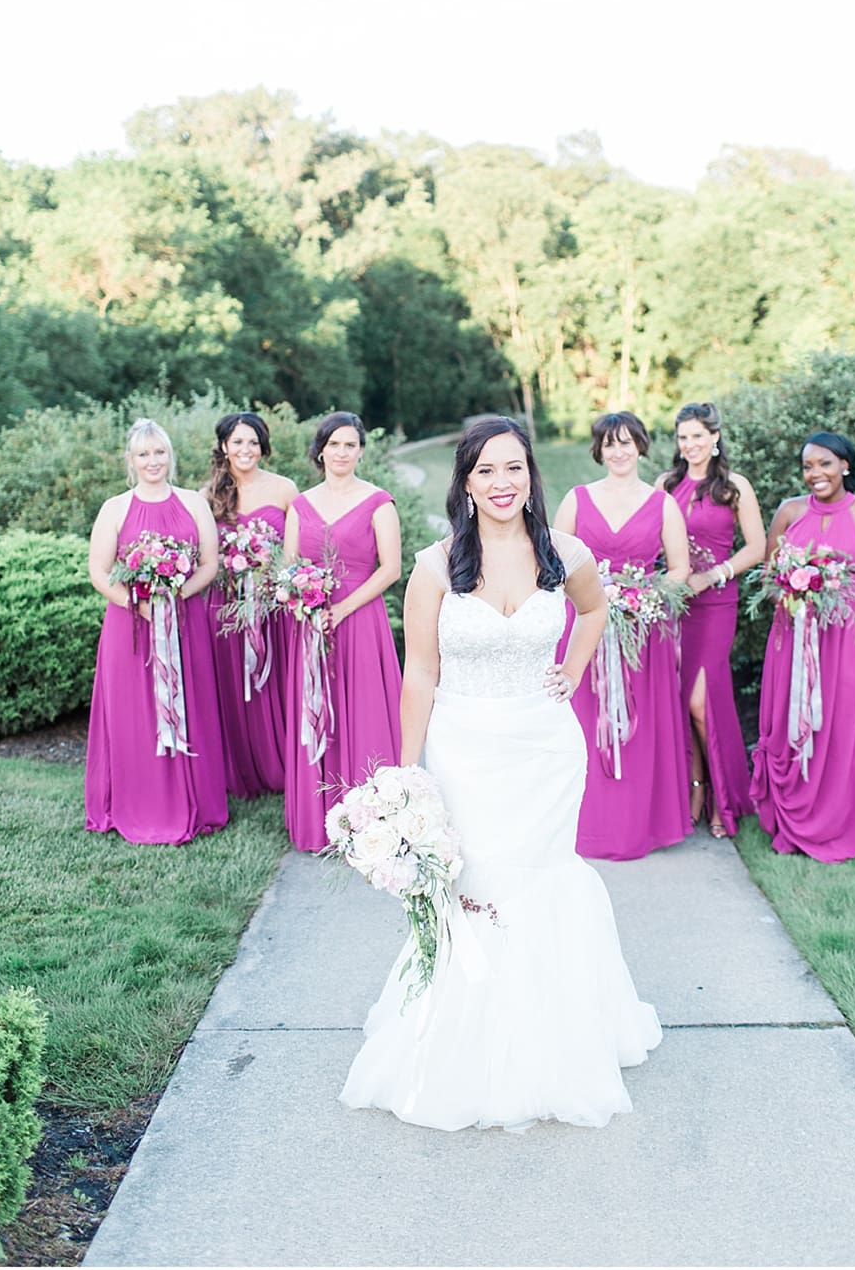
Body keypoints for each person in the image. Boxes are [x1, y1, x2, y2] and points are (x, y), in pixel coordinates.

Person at [340, 417, 660, 1131]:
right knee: (476, 882)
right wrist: (406, 770)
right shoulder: (435, 564)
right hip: (464, 748)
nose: (502, 483)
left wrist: (572, 674)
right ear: (466, 481)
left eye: (513, 468)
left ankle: (556, 1037)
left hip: (545, 749)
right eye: (486, 471)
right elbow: (419, 671)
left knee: (542, 881)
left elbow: (595, 608)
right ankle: (464, 1041)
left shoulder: (564, 553)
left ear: (530, 475)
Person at [750, 432, 855, 861]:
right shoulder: (789, 512)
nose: (815, 473)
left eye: (825, 464)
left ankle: (841, 825)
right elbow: (767, 577)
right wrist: (790, 588)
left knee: (842, 731)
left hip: (849, 642)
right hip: (792, 640)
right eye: (808, 466)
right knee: (789, 724)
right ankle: (792, 822)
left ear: (845, 466)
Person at [553, 413, 693, 861]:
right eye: (610, 443)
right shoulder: (577, 500)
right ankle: (583, 826)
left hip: (641, 636)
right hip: (585, 631)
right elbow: (553, 563)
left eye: (627, 442)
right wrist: (593, 598)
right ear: (598, 449)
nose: (618, 451)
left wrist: (642, 598)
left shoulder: (662, 503)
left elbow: (679, 569)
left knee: (639, 729)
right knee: (581, 727)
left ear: (641, 447)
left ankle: (637, 826)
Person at [85, 419, 231, 843]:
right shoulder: (115, 507)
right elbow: (99, 572)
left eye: (160, 452)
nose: (153, 461)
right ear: (131, 460)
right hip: (131, 627)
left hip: (186, 622)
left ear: (171, 456)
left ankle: (195, 802)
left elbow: (210, 563)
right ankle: (138, 802)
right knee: (135, 713)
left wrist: (175, 596)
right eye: (144, 454)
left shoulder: (192, 503)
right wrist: (141, 605)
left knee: (192, 702)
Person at [279, 412, 401, 852]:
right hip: (310, 625)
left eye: (351, 445)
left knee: (363, 710)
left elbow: (391, 568)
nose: (342, 452)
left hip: (361, 619)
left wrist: (343, 608)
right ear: (321, 450)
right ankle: (319, 822)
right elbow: (289, 565)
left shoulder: (378, 502)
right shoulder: (301, 505)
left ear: (361, 451)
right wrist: (301, 600)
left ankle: (373, 826)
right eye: (334, 444)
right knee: (318, 714)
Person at [660, 402, 766, 838]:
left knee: (702, 702)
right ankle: (696, 788)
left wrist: (713, 575)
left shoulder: (734, 486)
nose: (690, 446)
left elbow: (756, 547)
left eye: (698, 437)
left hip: (717, 603)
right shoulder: (666, 485)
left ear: (714, 438)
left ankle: (725, 799)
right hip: (675, 606)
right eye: (683, 438)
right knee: (680, 701)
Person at [202, 412, 298, 799]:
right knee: (230, 685)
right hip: (224, 609)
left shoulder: (285, 489)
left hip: (271, 607)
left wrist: (272, 577)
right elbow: (203, 555)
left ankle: (279, 767)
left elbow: (294, 553)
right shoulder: (207, 496)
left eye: (253, 442)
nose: (246, 450)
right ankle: (237, 769)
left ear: (263, 447)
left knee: (272, 684)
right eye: (238, 442)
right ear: (224, 446)